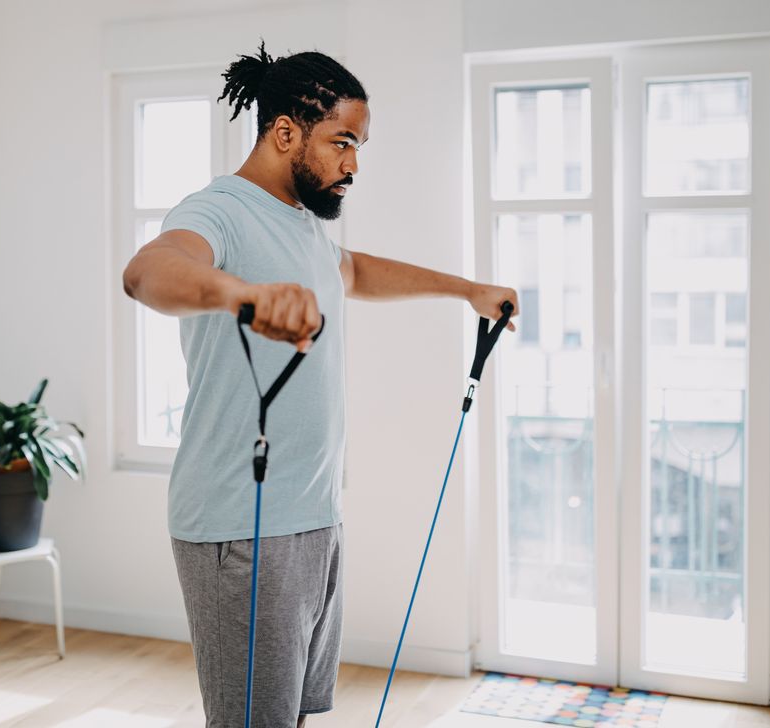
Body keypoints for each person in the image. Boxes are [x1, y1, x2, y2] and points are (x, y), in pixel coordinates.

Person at [121, 42, 518, 728]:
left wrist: (467, 291)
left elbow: (354, 272)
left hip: (313, 519)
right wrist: (242, 294)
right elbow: (149, 270)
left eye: (357, 145)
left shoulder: (300, 223)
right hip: (239, 531)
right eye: (342, 142)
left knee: (294, 716)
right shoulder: (217, 210)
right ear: (285, 133)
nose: (353, 164)